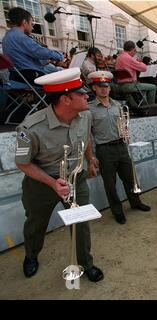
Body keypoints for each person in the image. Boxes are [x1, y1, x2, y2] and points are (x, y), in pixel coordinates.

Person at [15, 68, 103, 282]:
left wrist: (90, 159)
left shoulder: (86, 115)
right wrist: (52, 183)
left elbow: (86, 138)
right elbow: (22, 163)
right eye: (81, 94)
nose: (87, 96)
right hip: (42, 185)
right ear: (65, 99)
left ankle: (85, 263)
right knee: (36, 224)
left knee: (80, 224)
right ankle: (31, 256)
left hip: (76, 180)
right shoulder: (29, 128)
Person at [87, 71, 151, 225]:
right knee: (110, 184)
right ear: (94, 88)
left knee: (130, 178)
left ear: (109, 87)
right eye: (100, 86)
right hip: (104, 149)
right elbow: (87, 136)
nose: (104, 89)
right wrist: (90, 157)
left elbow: (123, 126)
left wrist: (126, 131)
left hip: (121, 146)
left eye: (106, 86)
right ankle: (117, 211)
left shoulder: (118, 105)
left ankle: (135, 202)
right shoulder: (89, 109)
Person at [2, 7, 64, 84]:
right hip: (29, 76)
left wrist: (46, 60)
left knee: (59, 71)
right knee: (64, 77)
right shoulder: (21, 37)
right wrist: (60, 56)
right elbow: (39, 51)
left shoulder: (6, 37)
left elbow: (24, 59)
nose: (32, 27)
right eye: (31, 23)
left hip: (17, 76)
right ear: (24, 22)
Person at [115, 40, 157, 107]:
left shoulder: (119, 57)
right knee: (153, 87)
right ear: (132, 49)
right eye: (135, 50)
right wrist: (138, 61)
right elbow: (144, 68)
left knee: (143, 89)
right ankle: (151, 108)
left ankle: (142, 106)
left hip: (120, 85)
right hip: (129, 86)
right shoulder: (129, 58)